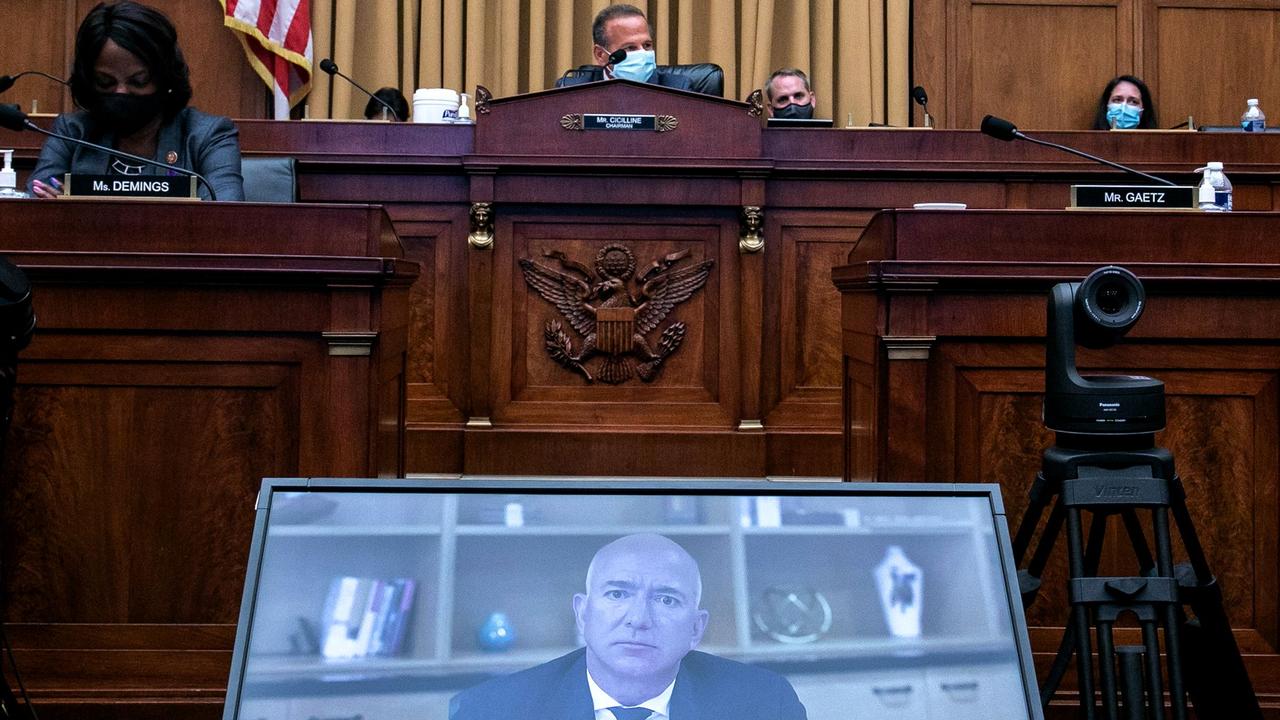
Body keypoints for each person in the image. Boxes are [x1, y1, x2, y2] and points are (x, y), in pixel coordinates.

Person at [450, 533, 807, 720]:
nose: (638, 619)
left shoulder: (764, 706)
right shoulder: (491, 711)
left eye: (666, 600)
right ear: (583, 613)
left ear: (696, 629)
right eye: (618, 594)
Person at [28, 1, 243, 201]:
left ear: (164, 77)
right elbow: (36, 210)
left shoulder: (207, 136)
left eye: (138, 81)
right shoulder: (72, 132)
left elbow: (225, 215)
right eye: (106, 82)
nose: (121, 92)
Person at [555, 4, 693, 92]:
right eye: (630, 48)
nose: (643, 53)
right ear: (601, 55)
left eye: (647, 45)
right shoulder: (572, 91)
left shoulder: (677, 88)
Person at [1091, 75, 1158, 130]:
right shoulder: (1088, 144)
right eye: (1117, 100)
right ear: (1106, 105)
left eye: (1133, 102)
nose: (1123, 107)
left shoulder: (1157, 146)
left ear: (1143, 109)